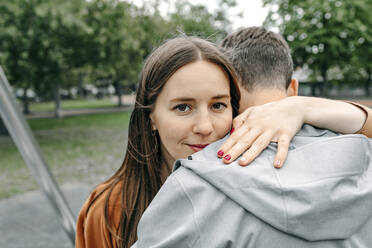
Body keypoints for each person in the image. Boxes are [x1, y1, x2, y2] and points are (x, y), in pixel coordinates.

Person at [76, 34, 371, 248]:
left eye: (218, 105)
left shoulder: (251, 182)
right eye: (183, 107)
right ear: (151, 116)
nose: (205, 127)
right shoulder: (109, 209)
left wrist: (302, 107)